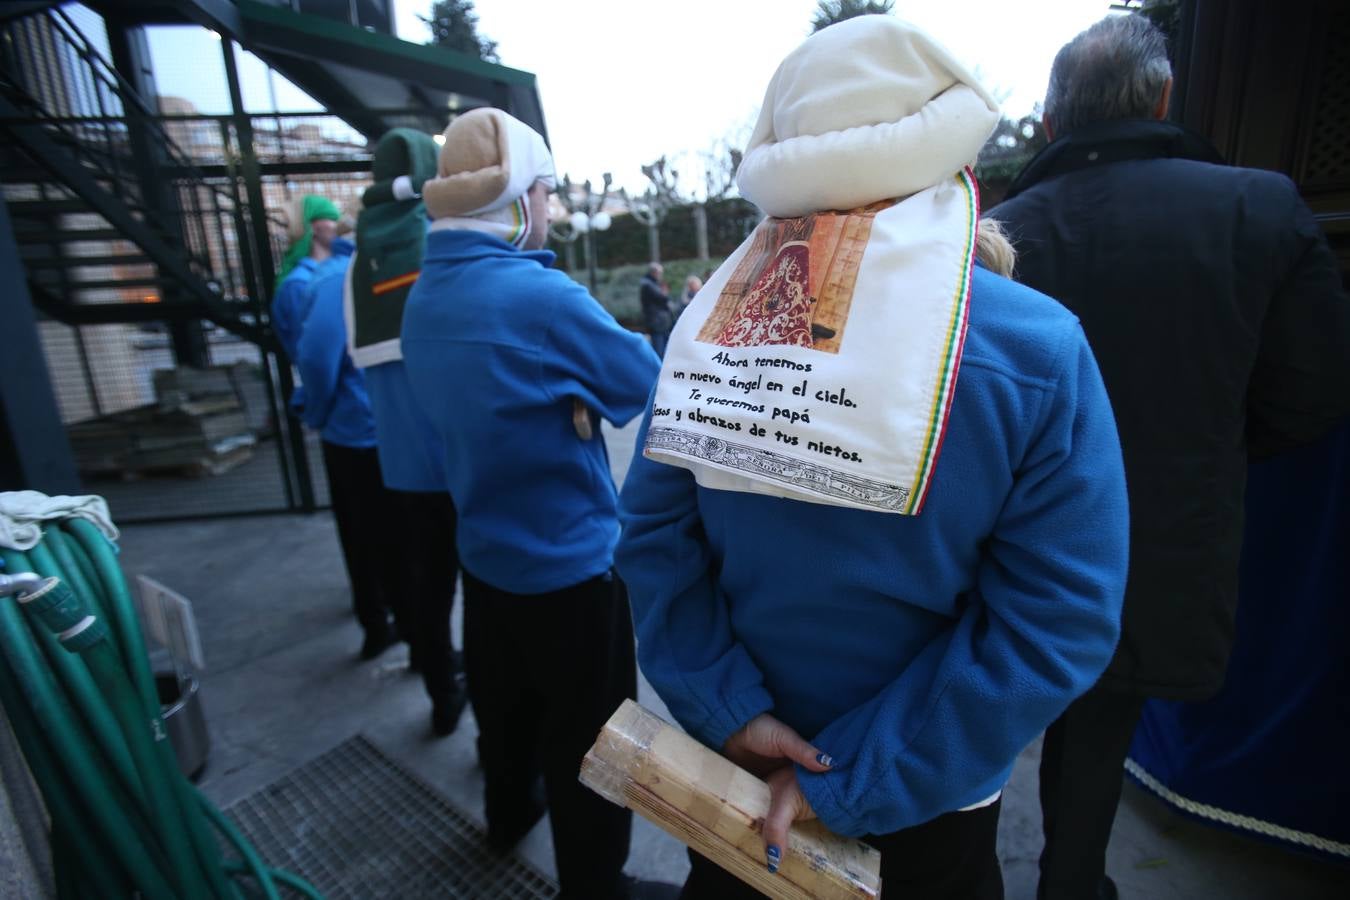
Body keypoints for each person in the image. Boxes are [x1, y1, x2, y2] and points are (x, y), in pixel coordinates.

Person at [615, 15, 1128, 900]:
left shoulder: (709, 333)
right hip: (928, 802)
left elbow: (652, 536)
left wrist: (729, 712)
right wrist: (851, 774)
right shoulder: (1037, 350)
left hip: (733, 776)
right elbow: (1058, 618)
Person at [990, 15, 1350, 900]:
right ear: (1162, 97)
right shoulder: (1257, 207)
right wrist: (1205, 454)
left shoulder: (992, 237)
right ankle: (1070, 882)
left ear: (1048, 124)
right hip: (1160, 538)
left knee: (985, 708)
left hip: (1004, 539)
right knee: (1101, 720)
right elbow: (1313, 393)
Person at [399, 108, 663, 899]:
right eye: (545, 191)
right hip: (572, 566)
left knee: (507, 716)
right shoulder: (540, 300)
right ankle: (596, 883)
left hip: (483, 554)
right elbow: (640, 380)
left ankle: (507, 817)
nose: (550, 207)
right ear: (515, 201)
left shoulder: (423, 297)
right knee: (594, 742)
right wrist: (574, 391)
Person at [343, 128, 468, 737]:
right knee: (480, 587)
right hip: (454, 451)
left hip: (395, 455)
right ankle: (479, 705)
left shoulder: (355, 264)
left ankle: (440, 687)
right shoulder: (436, 244)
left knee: (427, 583)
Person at [294, 258, 402, 663]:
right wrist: (319, 413)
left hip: (371, 430)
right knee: (374, 539)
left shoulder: (345, 276)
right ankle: (381, 626)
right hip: (360, 434)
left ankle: (402, 631)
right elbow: (317, 355)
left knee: (382, 541)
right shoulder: (344, 278)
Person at [271, 194, 345, 404]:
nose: (337, 224)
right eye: (331, 217)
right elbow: (311, 357)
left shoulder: (333, 273)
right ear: (313, 227)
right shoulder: (298, 285)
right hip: (340, 404)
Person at [639, 262, 674, 357]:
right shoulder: (647, 284)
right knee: (659, 351)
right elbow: (663, 298)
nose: (660, 275)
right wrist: (664, 293)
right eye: (659, 273)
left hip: (661, 322)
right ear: (654, 272)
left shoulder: (653, 284)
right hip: (656, 323)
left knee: (666, 350)